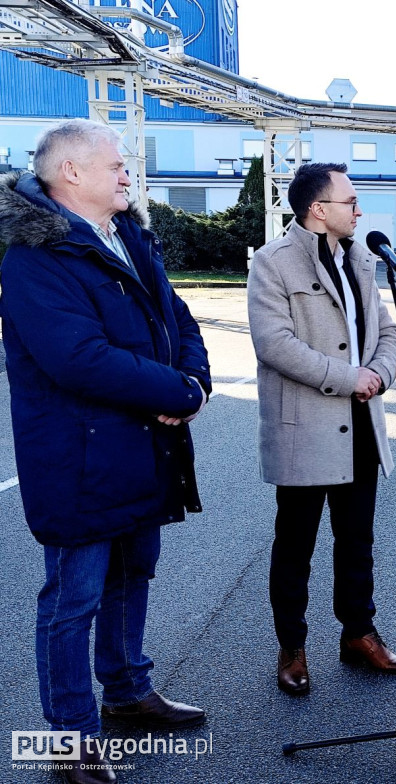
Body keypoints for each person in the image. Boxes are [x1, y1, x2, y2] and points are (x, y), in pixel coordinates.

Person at [0, 119, 210, 784]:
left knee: (132, 574)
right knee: (74, 599)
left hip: (141, 445)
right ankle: (71, 741)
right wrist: (171, 389)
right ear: (71, 174)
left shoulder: (129, 238)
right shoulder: (34, 258)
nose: (127, 174)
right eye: (116, 165)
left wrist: (192, 384)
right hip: (78, 458)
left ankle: (126, 690)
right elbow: (77, 358)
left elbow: (178, 317)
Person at [247, 162, 396, 696]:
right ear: (319, 210)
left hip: (361, 422)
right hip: (305, 428)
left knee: (357, 540)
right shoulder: (273, 263)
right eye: (350, 202)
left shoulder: (361, 258)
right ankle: (292, 647)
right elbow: (275, 344)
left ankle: (358, 635)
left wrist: (379, 374)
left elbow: (385, 329)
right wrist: (348, 377)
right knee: (296, 545)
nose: (359, 211)